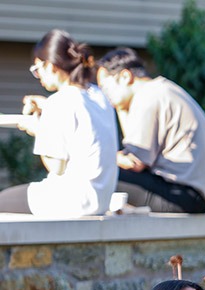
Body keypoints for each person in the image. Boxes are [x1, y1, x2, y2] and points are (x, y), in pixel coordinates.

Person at [0, 29, 117, 216]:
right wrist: (47, 109)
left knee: (3, 201)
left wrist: (39, 129)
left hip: (72, 200)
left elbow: (56, 167)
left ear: (51, 65)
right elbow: (82, 120)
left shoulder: (61, 100)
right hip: (101, 200)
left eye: (37, 69)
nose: (38, 76)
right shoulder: (97, 96)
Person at [95, 47, 205, 213]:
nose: (105, 95)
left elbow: (134, 162)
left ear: (125, 76)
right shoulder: (162, 89)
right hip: (197, 196)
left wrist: (100, 155)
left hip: (182, 196)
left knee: (99, 170)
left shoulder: (147, 97)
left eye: (105, 87)